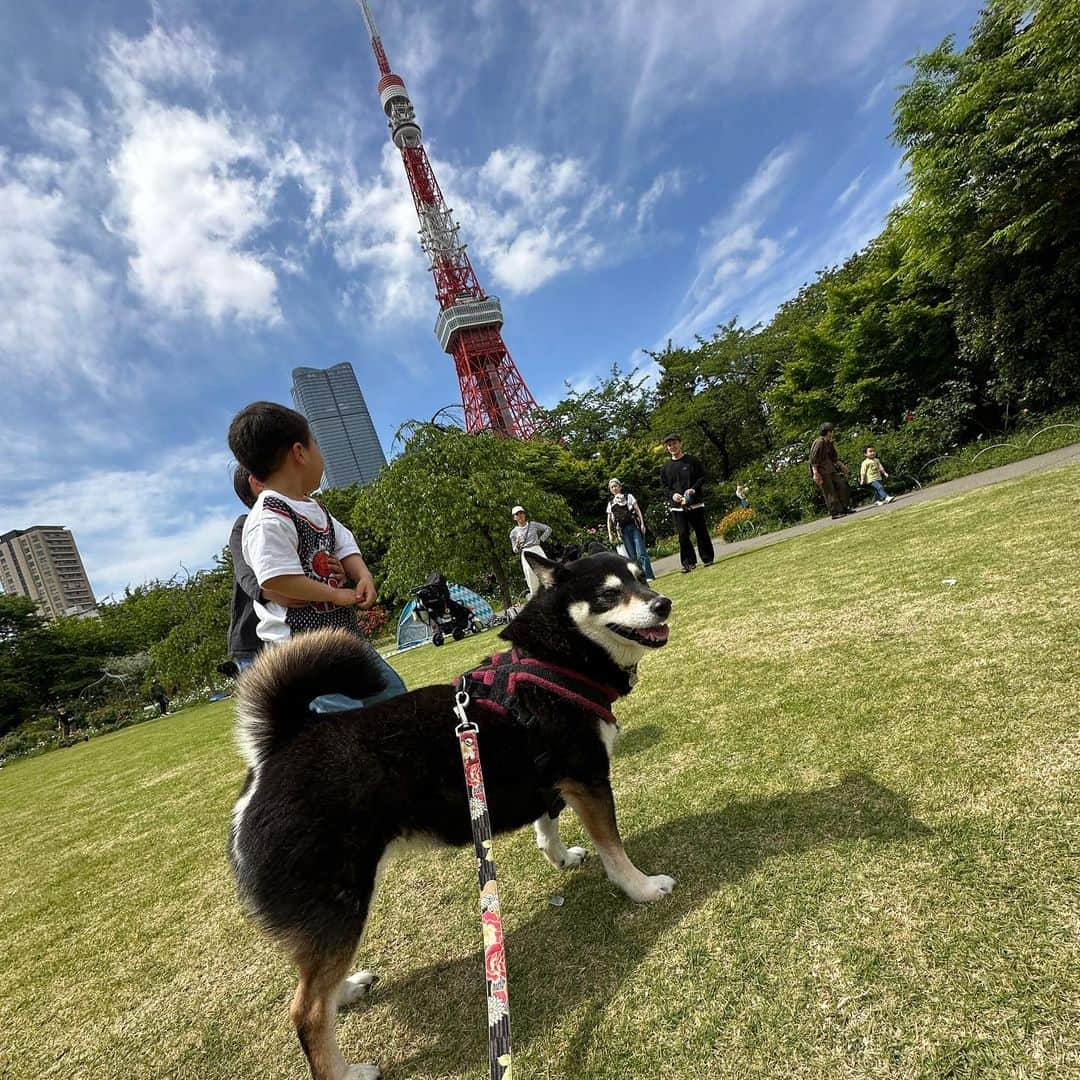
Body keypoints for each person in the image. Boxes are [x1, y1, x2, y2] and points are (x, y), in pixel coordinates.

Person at [227, 401, 406, 712]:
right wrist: (334, 595)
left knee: (392, 696)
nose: (321, 454)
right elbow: (276, 577)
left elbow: (344, 542)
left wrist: (362, 575)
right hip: (302, 649)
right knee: (339, 720)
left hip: (343, 637)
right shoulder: (267, 516)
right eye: (316, 444)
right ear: (300, 453)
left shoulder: (315, 507)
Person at [660, 432, 715, 573]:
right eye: (669, 445)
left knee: (701, 531)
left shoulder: (692, 461)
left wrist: (693, 489)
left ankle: (708, 558)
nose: (672, 447)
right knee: (683, 534)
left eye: (674, 443)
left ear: (680, 443)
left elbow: (702, 477)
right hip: (677, 507)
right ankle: (688, 563)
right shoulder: (665, 467)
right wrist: (673, 495)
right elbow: (665, 487)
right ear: (667, 448)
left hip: (694, 503)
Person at [605, 479, 655, 580]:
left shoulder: (629, 497)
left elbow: (637, 510)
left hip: (634, 527)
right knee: (632, 556)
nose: (614, 488)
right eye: (612, 487)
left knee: (641, 552)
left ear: (620, 486)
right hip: (622, 531)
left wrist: (642, 524)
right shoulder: (611, 503)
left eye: (616, 486)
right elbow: (609, 520)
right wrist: (610, 534)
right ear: (610, 490)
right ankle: (640, 578)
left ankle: (649, 575)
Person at [809, 422, 853, 519]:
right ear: (827, 432)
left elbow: (834, 458)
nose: (832, 433)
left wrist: (842, 466)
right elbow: (813, 459)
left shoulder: (829, 442)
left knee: (842, 485)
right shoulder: (819, 442)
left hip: (830, 468)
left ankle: (844, 507)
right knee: (829, 491)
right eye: (831, 431)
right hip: (822, 470)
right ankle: (835, 512)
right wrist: (815, 473)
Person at [509, 505, 552, 597]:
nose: (520, 515)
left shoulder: (533, 524)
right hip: (525, 551)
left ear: (524, 514)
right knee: (530, 574)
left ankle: (552, 591)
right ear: (514, 517)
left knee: (546, 569)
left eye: (521, 513)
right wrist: (517, 544)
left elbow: (548, 529)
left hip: (536, 548)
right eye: (517, 514)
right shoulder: (513, 533)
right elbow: (515, 550)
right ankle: (536, 597)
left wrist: (541, 540)